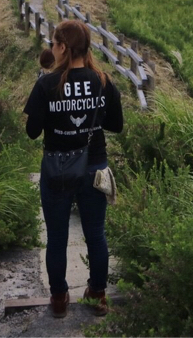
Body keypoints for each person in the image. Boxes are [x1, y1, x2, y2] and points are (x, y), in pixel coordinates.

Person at [23, 19, 124, 318]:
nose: (51, 49)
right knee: (95, 234)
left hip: (57, 169)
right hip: (94, 166)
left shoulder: (45, 84)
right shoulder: (103, 81)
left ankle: (58, 298)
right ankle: (98, 295)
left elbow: (31, 131)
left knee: (56, 237)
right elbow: (116, 125)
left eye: (53, 44)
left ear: (63, 47)